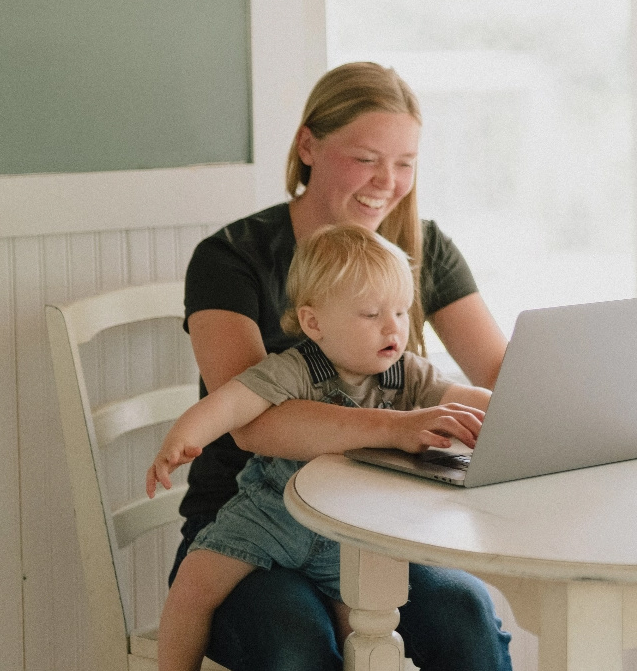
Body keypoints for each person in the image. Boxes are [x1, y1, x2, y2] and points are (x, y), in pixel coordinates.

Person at [173, 62, 513, 671]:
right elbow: (255, 425)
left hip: (379, 526)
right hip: (250, 529)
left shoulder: (421, 245)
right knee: (294, 643)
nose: (388, 181)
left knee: (464, 617)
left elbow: (502, 374)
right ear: (308, 145)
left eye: (404, 162)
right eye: (366, 157)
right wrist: (399, 429)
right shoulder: (231, 258)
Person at [150, 225, 492, 671]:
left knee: (369, 641)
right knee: (194, 586)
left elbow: (471, 402)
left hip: (352, 532)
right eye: (371, 314)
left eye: (402, 312)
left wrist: (519, 413)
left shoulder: (408, 374)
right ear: (314, 323)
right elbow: (231, 404)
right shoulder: (293, 370)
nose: (393, 327)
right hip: (272, 516)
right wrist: (182, 437)